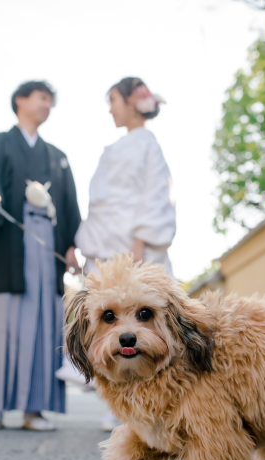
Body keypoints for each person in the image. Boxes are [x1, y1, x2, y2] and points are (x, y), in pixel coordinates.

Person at [0, 80, 81, 431]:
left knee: (44, 326)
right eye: (42, 98)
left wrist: (71, 246)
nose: (47, 105)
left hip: (45, 248)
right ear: (20, 100)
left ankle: (35, 409)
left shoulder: (57, 156)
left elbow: (69, 205)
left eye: (50, 101)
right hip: (6, 244)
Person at [67, 76, 176, 431]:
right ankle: (118, 405)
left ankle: (146, 408)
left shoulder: (148, 144)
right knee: (107, 326)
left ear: (131, 102)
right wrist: (85, 245)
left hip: (132, 249)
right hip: (105, 246)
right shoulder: (116, 147)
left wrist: (140, 245)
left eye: (113, 101)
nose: (110, 109)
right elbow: (101, 204)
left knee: (139, 328)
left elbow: (155, 194)